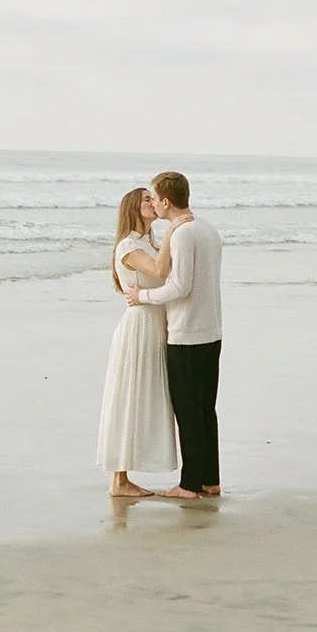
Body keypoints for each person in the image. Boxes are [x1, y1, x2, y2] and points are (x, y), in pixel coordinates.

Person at [125, 171, 223, 500]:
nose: (151, 203)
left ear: (166, 202)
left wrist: (143, 297)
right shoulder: (207, 229)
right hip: (212, 331)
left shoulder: (182, 234)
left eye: (153, 198)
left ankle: (189, 485)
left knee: (188, 411)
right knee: (206, 410)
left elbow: (179, 286)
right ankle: (210, 480)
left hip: (186, 333)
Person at [97, 187, 191, 497]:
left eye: (153, 198)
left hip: (156, 326)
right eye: (147, 200)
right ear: (133, 209)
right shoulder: (128, 246)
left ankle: (123, 478)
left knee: (143, 398)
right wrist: (174, 228)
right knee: (127, 397)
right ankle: (118, 480)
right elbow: (159, 270)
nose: (154, 203)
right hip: (138, 328)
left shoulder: (148, 242)